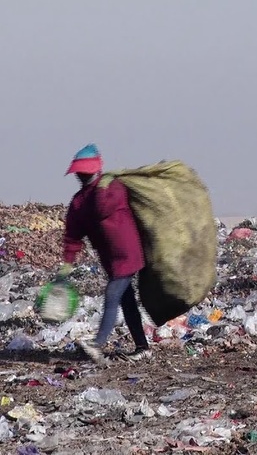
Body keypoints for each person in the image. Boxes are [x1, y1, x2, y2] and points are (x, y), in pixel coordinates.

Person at [59, 144, 152, 364]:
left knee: (112, 296)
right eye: (80, 173)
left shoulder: (112, 188)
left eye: (85, 172)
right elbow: (72, 236)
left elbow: (103, 209)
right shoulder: (79, 202)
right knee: (127, 301)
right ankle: (143, 347)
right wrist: (67, 264)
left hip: (128, 255)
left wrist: (100, 186)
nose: (82, 176)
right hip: (110, 259)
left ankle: (97, 344)